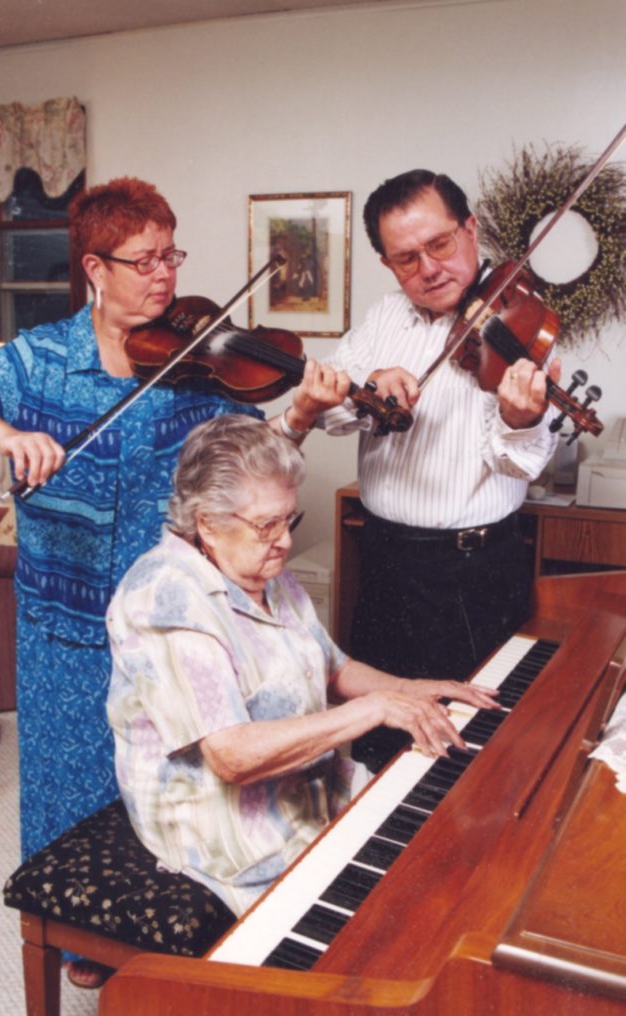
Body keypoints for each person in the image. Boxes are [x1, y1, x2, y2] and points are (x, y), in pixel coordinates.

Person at [0, 177, 344, 987]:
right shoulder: (37, 359)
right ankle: (77, 940)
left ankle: (163, 946)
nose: (165, 277)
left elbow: (251, 456)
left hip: (168, 624)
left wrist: (306, 414)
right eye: (144, 261)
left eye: (171, 255)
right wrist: (4, 432)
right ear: (95, 268)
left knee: (177, 783)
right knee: (66, 785)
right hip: (61, 626)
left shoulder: (194, 365)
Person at [106, 415, 497, 916]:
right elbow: (231, 756)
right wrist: (372, 710)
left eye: (288, 519)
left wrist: (411, 689)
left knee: (448, 844)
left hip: (305, 786)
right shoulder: (164, 599)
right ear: (206, 521)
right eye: (266, 524)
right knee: (396, 912)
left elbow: (331, 667)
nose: (285, 540)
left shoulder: (265, 572)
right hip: (220, 822)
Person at [279, 170, 562, 772]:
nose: (430, 269)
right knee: (383, 734)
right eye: (407, 259)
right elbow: (328, 415)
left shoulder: (521, 324)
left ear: (471, 228)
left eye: (441, 245)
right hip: (385, 560)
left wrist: (518, 418)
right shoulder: (384, 319)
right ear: (386, 263)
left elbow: (520, 462)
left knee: (471, 745)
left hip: (474, 569)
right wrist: (366, 389)